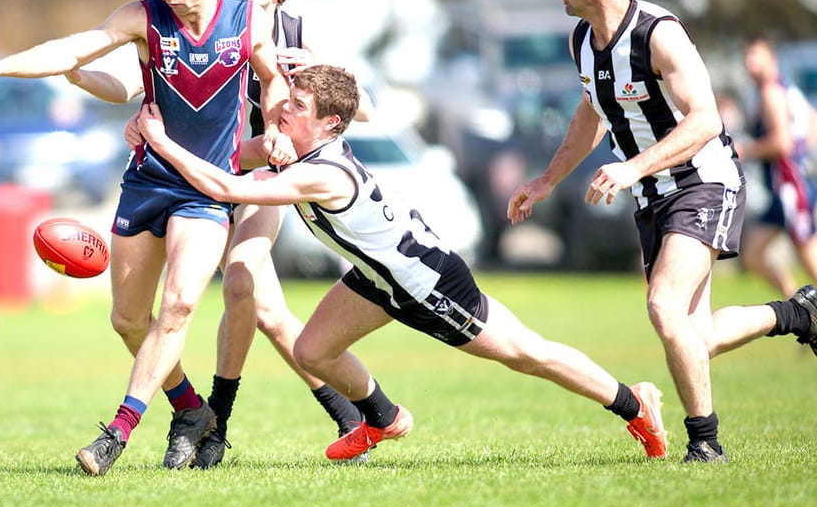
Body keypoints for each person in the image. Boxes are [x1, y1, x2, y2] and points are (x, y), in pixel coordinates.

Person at [137, 63, 670, 464]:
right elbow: (229, 155)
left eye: (297, 106)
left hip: (427, 280)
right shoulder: (297, 152)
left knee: (523, 353)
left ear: (330, 124)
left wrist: (161, 140)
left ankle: (633, 404)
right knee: (313, 350)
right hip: (378, 279)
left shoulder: (323, 172)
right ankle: (385, 419)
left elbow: (228, 184)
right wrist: (154, 136)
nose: (282, 110)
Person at [0, 0, 296, 475]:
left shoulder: (246, 19)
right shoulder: (144, 17)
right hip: (148, 181)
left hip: (207, 191)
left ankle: (117, 431)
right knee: (128, 320)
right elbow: (74, 48)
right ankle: (191, 410)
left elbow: (273, 78)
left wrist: (278, 122)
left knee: (181, 303)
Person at [505, 0, 817, 463]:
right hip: (655, 195)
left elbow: (704, 119)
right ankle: (798, 315)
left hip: (704, 182)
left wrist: (631, 168)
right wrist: (546, 180)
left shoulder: (658, 32)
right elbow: (591, 112)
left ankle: (706, 444)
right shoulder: (584, 39)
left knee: (663, 308)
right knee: (697, 337)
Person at [737, 34, 817, 298]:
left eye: (755, 57)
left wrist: (745, 149)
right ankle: (804, 308)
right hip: (787, 186)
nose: (749, 64)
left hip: (790, 186)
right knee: (752, 254)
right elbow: (811, 125)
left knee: (807, 255)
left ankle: (806, 310)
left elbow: (782, 143)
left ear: (771, 59)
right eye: (746, 58)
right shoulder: (787, 89)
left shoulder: (771, 92)